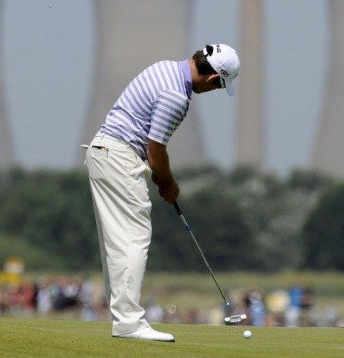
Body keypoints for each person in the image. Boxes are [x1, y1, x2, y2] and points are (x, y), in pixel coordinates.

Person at [84, 43, 240, 342]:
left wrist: (162, 178)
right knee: (133, 237)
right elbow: (156, 151)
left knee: (116, 241)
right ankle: (129, 322)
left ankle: (122, 317)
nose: (217, 90)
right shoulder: (176, 96)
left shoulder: (165, 67)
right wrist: (169, 184)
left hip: (102, 151)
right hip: (119, 156)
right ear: (212, 79)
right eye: (221, 85)